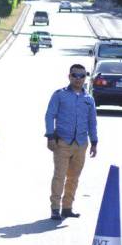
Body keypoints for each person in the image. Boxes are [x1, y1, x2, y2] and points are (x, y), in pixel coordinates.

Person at [44, 64, 98, 221]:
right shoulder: (59, 95)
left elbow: (92, 122)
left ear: (85, 78)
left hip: (81, 144)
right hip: (62, 142)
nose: (78, 79)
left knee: (74, 177)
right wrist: (50, 136)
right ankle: (55, 208)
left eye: (82, 76)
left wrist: (94, 142)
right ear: (69, 76)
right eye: (75, 75)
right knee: (59, 176)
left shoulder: (89, 99)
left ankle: (67, 207)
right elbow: (49, 115)